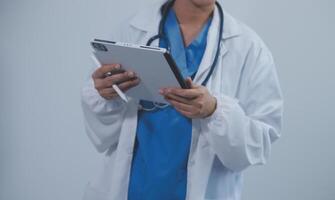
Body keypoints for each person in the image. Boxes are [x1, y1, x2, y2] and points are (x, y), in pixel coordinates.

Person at [81, 0, 283, 199]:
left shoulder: (249, 47)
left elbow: (259, 143)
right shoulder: (132, 30)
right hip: (131, 191)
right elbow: (101, 133)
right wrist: (104, 94)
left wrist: (215, 110)